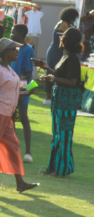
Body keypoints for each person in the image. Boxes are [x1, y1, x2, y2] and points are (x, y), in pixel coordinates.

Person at [0, 37, 39, 192]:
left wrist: (27, 92)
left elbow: (12, 93)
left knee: (13, 147)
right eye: (14, 49)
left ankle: (20, 183)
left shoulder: (9, 70)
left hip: (6, 117)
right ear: (6, 52)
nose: (17, 52)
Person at [37, 27, 84, 177]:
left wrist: (53, 79)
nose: (60, 37)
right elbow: (60, 74)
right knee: (57, 133)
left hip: (67, 100)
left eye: (63, 36)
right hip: (60, 98)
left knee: (63, 134)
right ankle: (53, 167)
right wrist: (47, 69)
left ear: (68, 39)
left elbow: (72, 81)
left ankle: (63, 170)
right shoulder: (66, 56)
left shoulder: (72, 58)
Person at [43, 7, 79, 105]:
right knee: (54, 72)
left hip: (55, 50)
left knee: (55, 71)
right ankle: (47, 97)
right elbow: (73, 34)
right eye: (74, 18)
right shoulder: (65, 24)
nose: (74, 20)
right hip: (56, 51)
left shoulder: (61, 22)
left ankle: (49, 97)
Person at [9, 24, 35, 162]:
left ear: (20, 34)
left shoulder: (28, 50)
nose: (11, 35)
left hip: (21, 88)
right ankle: (12, 151)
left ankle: (28, 152)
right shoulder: (13, 48)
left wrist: (22, 92)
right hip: (11, 87)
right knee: (11, 119)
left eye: (13, 32)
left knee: (23, 117)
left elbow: (28, 73)